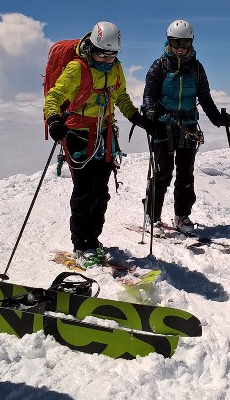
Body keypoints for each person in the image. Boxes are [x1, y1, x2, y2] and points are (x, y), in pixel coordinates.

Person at [44, 21, 153, 268]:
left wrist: (136, 118)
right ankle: (81, 245)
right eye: (103, 53)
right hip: (79, 136)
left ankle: (93, 240)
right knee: (84, 193)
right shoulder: (76, 69)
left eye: (112, 54)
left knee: (100, 193)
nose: (107, 59)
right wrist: (53, 119)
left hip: (104, 136)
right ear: (91, 47)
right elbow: (55, 96)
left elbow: (121, 96)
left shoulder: (116, 69)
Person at [142, 19, 230, 234]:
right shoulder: (159, 66)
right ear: (168, 42)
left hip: (189, 127)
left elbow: (205, 97)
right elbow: (149, 94)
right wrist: (150, 113)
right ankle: (152, 215)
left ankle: (182, 216)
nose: (180, 49)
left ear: (191, 43)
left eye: (184, 44)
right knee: (163, 173)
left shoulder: (197, 68)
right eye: (175, 43)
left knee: (185, 174)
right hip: (163, 126)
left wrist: (218, 119)